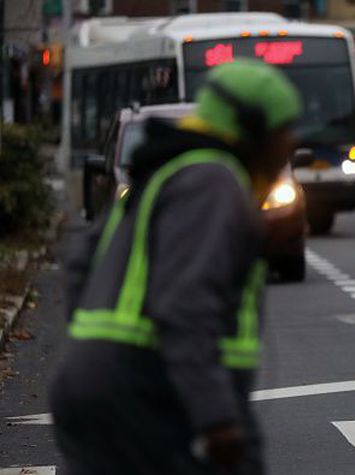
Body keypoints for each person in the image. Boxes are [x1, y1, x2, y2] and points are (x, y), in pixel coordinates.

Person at [51, 60, 301, 474]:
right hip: (148, 393)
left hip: (97, 388)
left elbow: (82, 260)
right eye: (282, 129)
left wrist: (92, 352)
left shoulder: (163, 170)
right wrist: (217, 418)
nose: (291, 142)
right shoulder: (212, 182)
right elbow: (186, 304)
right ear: (251, 126)